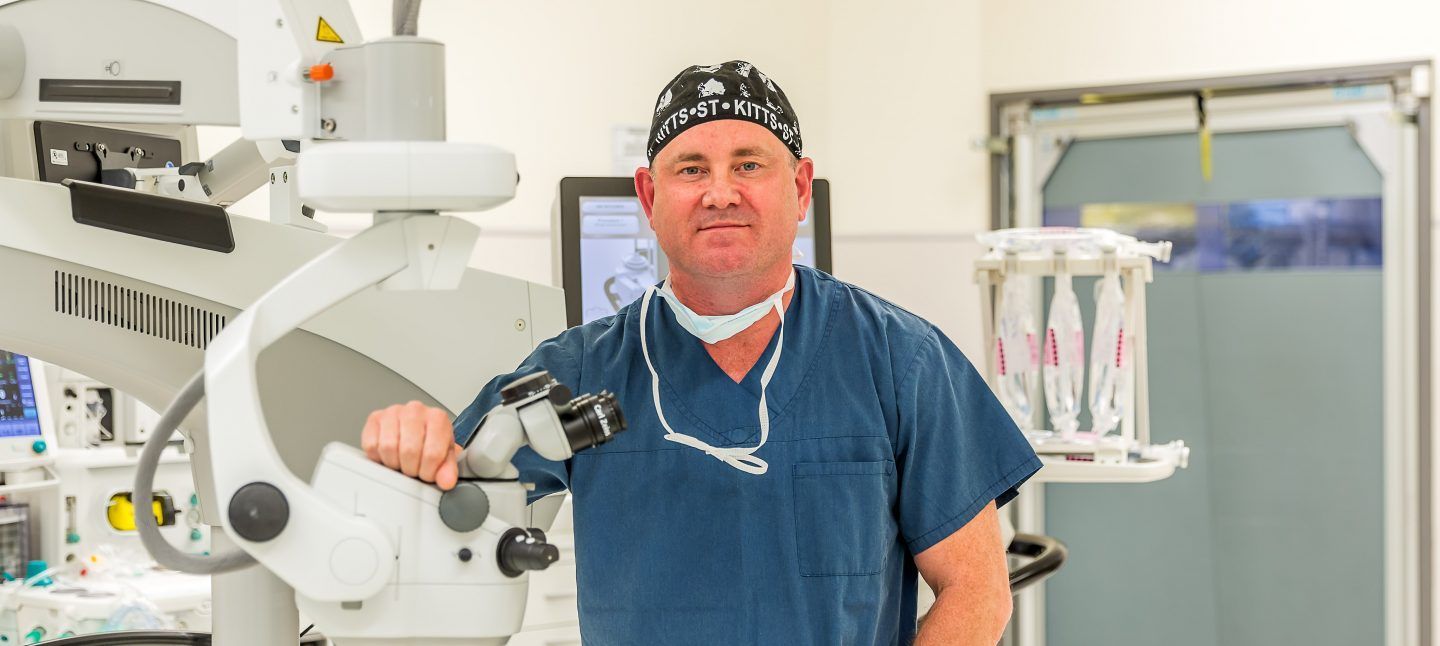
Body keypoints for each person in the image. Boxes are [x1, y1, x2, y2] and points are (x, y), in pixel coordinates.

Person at [361, 60, 1042, 646]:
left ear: (800, 188)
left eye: (749, 164)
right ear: (650, 197)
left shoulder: (900, 361)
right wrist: (410, 444)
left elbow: (978, 592)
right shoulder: (581, 373)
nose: (721, 191)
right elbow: (443, 492)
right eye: (692, 169)